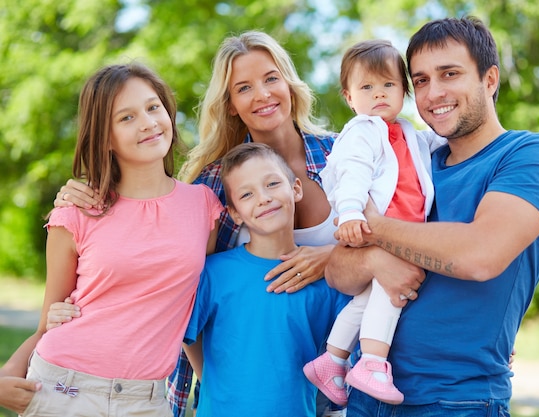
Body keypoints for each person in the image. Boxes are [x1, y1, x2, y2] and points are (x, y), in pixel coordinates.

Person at [49, 31, 344, 417]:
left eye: (271, 78)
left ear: (289, 82)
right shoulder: (213, 186)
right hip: (243, 386)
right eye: (243, 87)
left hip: (338, 368)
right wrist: (83, 195)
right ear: (232, 104)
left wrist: (330, 258)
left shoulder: (344, 156)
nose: (262, 94)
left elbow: (392, 240)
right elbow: (180, 274)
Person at [324, 16, 539, 417]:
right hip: (367, 393)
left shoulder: (531, 156)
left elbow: (479, 256)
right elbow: (338, 270)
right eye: (420, 80)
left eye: (450, 74)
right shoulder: (412, 161)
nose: (433, 92)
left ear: (490, 80)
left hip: (457, 400)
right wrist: (371, 257)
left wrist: (375, 227)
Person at [0, 63, 223, 416]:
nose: (148, 123)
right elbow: (48, 323)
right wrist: (5, 378)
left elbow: (194, 308)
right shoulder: (75, 213)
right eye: (126, 117)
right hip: (64, 389)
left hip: (147, 400)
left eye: (153, 107)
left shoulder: (205, 206)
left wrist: (217, 387)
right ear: (105, 137)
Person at [303, 40, 445, 406]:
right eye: (367, 87)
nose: (379, 95)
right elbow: (352, 172)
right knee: (391, 293)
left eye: (389, 85)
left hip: (400, 228)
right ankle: (372, 362)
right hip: (378, 228)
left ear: (403, 91)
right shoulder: (362, 130)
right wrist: (350, 212)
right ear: (349, 96)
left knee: (366, 301)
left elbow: (434, 143)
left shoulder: (407, 132)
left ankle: (332, 360)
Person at [180, 142, 349, 416]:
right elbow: (189, 338)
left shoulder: (325, 279)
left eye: (272, 184)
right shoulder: (213, 273)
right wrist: (212, 383)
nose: (263, 198)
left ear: (295, 189)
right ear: (234, 213)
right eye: (247, 194)